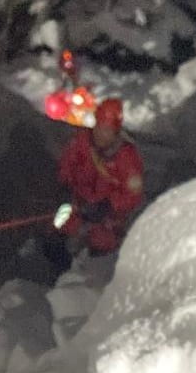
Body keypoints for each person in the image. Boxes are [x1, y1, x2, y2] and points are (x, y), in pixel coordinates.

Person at [56, 98, 144, 256]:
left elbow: (133, 195)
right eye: (99, 127)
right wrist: (65, 189)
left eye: (107, 130)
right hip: (78, 208)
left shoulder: (127, 157)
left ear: (115, 131)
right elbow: (66, 166)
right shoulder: (82, 142)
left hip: (107, 219)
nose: (101, 134)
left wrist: (108, 205)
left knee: (101, 244)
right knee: (56, 232)